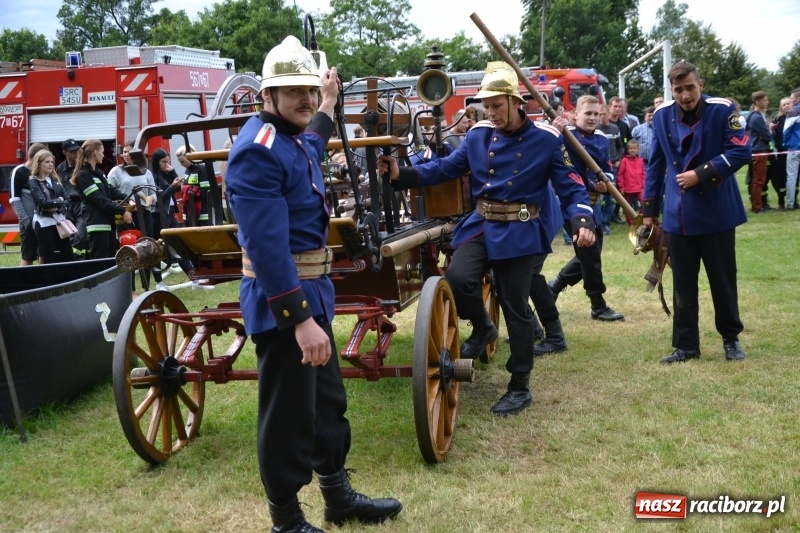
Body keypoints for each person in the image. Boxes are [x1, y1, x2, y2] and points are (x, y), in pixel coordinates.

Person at [224, 36, 402, 532]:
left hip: (313, 295)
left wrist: (327, 103)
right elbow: (265, 247)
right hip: (284, 304)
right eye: (292, 91)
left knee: (327, 406)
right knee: (287, 416)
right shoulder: (257, 151)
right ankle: (286, 520)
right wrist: (300, 320)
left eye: (308, 89)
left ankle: (338, 499)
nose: (303, 98)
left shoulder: (289, 136)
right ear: (268, 96)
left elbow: (311, 144)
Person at [379, 61, 596, 415]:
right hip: (481, 224)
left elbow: (570, 185)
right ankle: (483, 328)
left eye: (496, 105)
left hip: (521, 232)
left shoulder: (546, 139)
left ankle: (520, 384)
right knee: (458, 278)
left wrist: (582, 218)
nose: (490, 112)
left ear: (515, 102)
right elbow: (447, 167)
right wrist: (402, 173)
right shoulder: (478, 134)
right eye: (486, 106)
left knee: (515, 307)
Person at [642, 60, 751, 364]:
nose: (685, 95)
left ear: (700, 85)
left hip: (717, 211)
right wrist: (649, 211)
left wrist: (700, 174)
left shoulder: (723, 109)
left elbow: (741, 151)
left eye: (690, 87)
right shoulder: (662, 116)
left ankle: (731, 339)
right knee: (683, 284)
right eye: (678, 89)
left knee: (723, 280)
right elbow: (655, 164)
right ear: (671, 90)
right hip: (679, 215)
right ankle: (686, 345)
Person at [548, 95, 625, 323]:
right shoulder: (565, 136)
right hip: (571, 205)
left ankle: (553, 287)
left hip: (595, 204)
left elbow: (608, 168)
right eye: (587, 113)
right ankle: (597, 304)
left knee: (588, 256)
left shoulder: (602, 139)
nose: (592, 118)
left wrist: (605, 184)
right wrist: (555, 131)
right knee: (590, 256)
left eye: (595, 114)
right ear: (576, 115)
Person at [109, 141, 162, 290]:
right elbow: (109, 193)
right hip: (125, 215)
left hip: (145, 214)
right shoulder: (116, 172)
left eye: (129, 152)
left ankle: (148, 286)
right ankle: (130, 289)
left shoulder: (146, 172)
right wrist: (123, 206)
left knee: (147, 248)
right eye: (124, 152)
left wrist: (150, 199)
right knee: (128, 250)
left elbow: (153, 193)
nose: (126, 154)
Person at [72, 139, 133, 259]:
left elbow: (112, 190)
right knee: (100, 260)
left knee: (111, 258)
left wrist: (128, 199)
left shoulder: (99, 173)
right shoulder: (84, 175)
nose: (104, 155)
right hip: (96, 224)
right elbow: (99, 200)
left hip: (108, 223)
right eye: (102, 151)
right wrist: (122, 211)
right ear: (95, 153)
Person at [28, 150, 74, 263]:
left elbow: (68, 199)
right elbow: (44, 203)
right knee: (49, 257)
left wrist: (57, 205)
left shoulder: (55, 180)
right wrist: (59, 200)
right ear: (39, 164)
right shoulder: (34, 181)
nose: (50, 164)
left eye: (52, 162)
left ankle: (70, 278)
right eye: (47, 162)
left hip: (60, 221)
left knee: (69, 256)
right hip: (44, 222)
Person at [9, 142, 47, 265]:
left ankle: (44, 281)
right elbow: (15, 199)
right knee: (28, 256)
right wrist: (26, 222)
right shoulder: (18, 172)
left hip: (45, 220)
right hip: (28, 221)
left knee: (44, 254)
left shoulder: (43, 172)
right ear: (37, 157)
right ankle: (25, 282)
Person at [56, 139, 88, 257]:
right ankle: (71, 261)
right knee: (68, 235)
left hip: (81, 204)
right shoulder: (60, 168)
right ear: (65, 152)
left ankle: (77, 260)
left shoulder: (83, 166)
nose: (76, 153)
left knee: (80, 235)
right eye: (72, 151)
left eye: (77, 150)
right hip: (67, 205)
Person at [596, 104, 623, 233]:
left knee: (612, 198)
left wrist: (619, 159)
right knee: (599, 198)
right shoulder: (594, 129)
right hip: (598, 168)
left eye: (603, 114)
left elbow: (621, 146)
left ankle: (606, 222)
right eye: (599, 114)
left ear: (608, 114)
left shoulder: (614, 128)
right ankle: (598, 223)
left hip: (613, 167)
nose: (601, 117)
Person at [746, 91, 773, 213]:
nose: (767, 102)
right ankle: (757, 206)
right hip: (759, 151)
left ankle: (756, 204)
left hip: (757, 150)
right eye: (765, 100)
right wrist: (770, 130)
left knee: (756, 179)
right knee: (759, 180)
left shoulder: (753, 115)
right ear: (757, 102)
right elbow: (767, 136)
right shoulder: (757, 117)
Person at [176, 144, 211, 226]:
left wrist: (190, 192)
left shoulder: (202, 169)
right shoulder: (187, 171)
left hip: (202, 214)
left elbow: (206, 191)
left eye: (182, 161)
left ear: (190, 157)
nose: (181, 164)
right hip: (188, 214)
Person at [770, 97, 792, 209]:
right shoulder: (778, 119)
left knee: (794, 177)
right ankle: (781, 201)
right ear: (781, 107)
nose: (787, 106)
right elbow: (775, 136)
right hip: (782, 151)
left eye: (788, 103)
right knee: (781, 176)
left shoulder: (796, 118)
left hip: (794, 150)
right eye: (784, 104)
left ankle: (793, 200)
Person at [616, 139, 645, 225]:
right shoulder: (624, 160)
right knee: (627, 207)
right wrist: (621, 187)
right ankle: (631, 224)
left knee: (644, 203)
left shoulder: (641, 160)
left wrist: (643, 185)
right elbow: (620, 175)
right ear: (628, 150)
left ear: (638, 149)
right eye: (631, 148)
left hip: (639, 187)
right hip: (627, 188)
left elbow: (643, 174)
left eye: (634, 148)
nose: (633, 150)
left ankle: (640, 219)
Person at [783, 88, 800, 210]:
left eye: (792, 98)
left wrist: (785, 144)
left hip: (794, 148)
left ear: (798, 99)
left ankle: (790, 204)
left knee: (791, 177)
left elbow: (786, 131)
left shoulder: (794, 111)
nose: (791, 100)